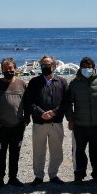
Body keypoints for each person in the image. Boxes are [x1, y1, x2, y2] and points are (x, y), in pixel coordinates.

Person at [24, 55, 69, 185]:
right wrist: (40, 113)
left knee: (56, 150)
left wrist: (55, 112)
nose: (45, 67)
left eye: (48, 64)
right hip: (39, 123)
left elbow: (66, 102)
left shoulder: (62, 82)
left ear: (54, 66)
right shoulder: (34, 82)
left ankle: (53, 174)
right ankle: (38, 176)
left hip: (56, 122)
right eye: (43, 65)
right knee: (38, 150)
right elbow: (29, 101)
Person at [66, 57, 97, 184]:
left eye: (89, 66)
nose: (87, 69)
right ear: (80, 68)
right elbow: (68, 104)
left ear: (94, 67)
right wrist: (70, 119)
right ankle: (79, 174)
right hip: (80, 124)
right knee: (79, 150)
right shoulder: (74, 83)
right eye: (84, 67)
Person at [0, 58, 30, 189]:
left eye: (11, 68)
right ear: (1, 70)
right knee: (0, 153)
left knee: (15, 153)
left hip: (18, 126)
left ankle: (13, 178)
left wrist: (26, 120)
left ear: (16, 69)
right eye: (6, 68)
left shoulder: (22, 84)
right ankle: (0, 179)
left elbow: (28, 104)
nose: (9, 70)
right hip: (2, 127)